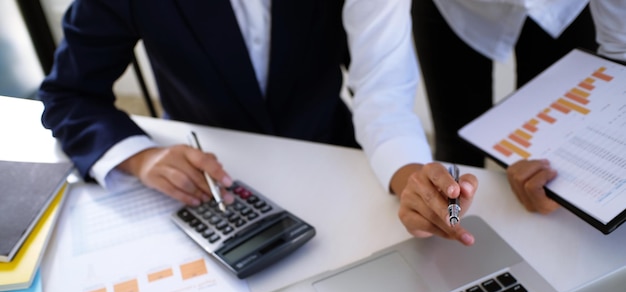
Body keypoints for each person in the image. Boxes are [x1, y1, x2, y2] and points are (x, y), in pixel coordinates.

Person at [39, 0, 478, 246]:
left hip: (336, 161)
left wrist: (409, 178)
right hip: (210, 183)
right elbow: (69, 93)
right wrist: (143, 159)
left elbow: (382, 89)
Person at [411, 0, 626, 214]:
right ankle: (452, 221)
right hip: (455, 9)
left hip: (564, 9)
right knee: (455, 149)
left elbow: (621, 52)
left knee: (550, 169)